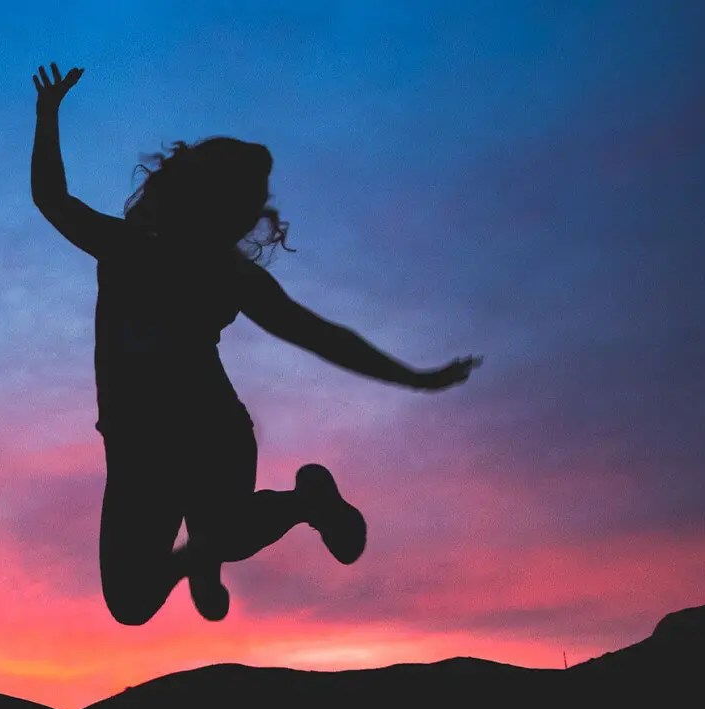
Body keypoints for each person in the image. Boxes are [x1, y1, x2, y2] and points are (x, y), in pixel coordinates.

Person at [30, 62, 480, 624]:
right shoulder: (127, 245)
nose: (245, 220)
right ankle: (204, 554)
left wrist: (415, 377)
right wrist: (47, 115)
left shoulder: (227, 274)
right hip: (135, 444)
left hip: (208, 430)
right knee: (130, 602)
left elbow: (318, 334)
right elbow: (51, 198)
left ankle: (295, 508)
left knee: (224, 529)